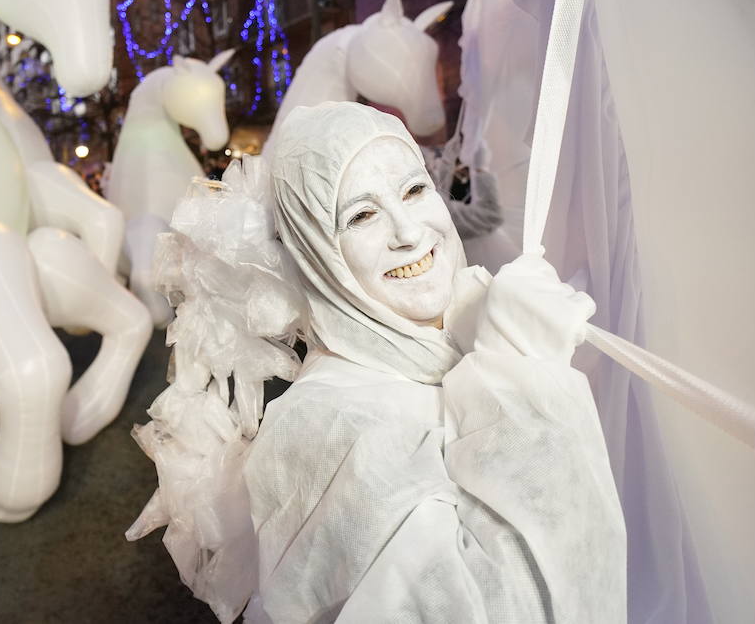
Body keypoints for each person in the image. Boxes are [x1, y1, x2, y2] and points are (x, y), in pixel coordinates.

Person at [130, 102, 625, 622]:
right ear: (316, 254)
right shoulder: (324, 424)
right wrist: (522, 375)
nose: (408, 231)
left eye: (414, 190)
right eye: (361, 215)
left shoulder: (447, 341)